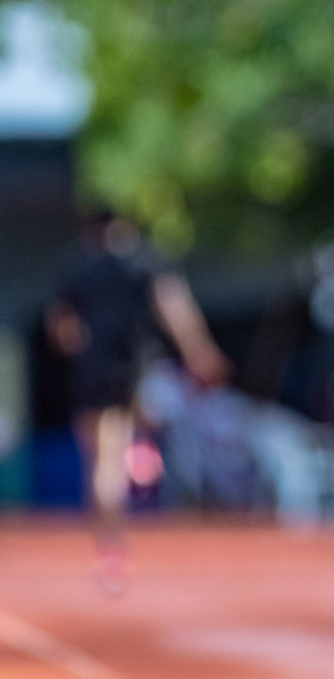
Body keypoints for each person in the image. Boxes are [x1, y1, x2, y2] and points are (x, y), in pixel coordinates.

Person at [46, 208, 230, 594]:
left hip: (91, 373)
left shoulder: (76, 267)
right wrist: (200, 352)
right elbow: (175, 308)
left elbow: (60, 329)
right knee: (119, 447)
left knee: (97, 462)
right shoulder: (144, 262)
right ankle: (141, 454)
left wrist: (78, 346)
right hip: (134, 369)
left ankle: (108, 544)